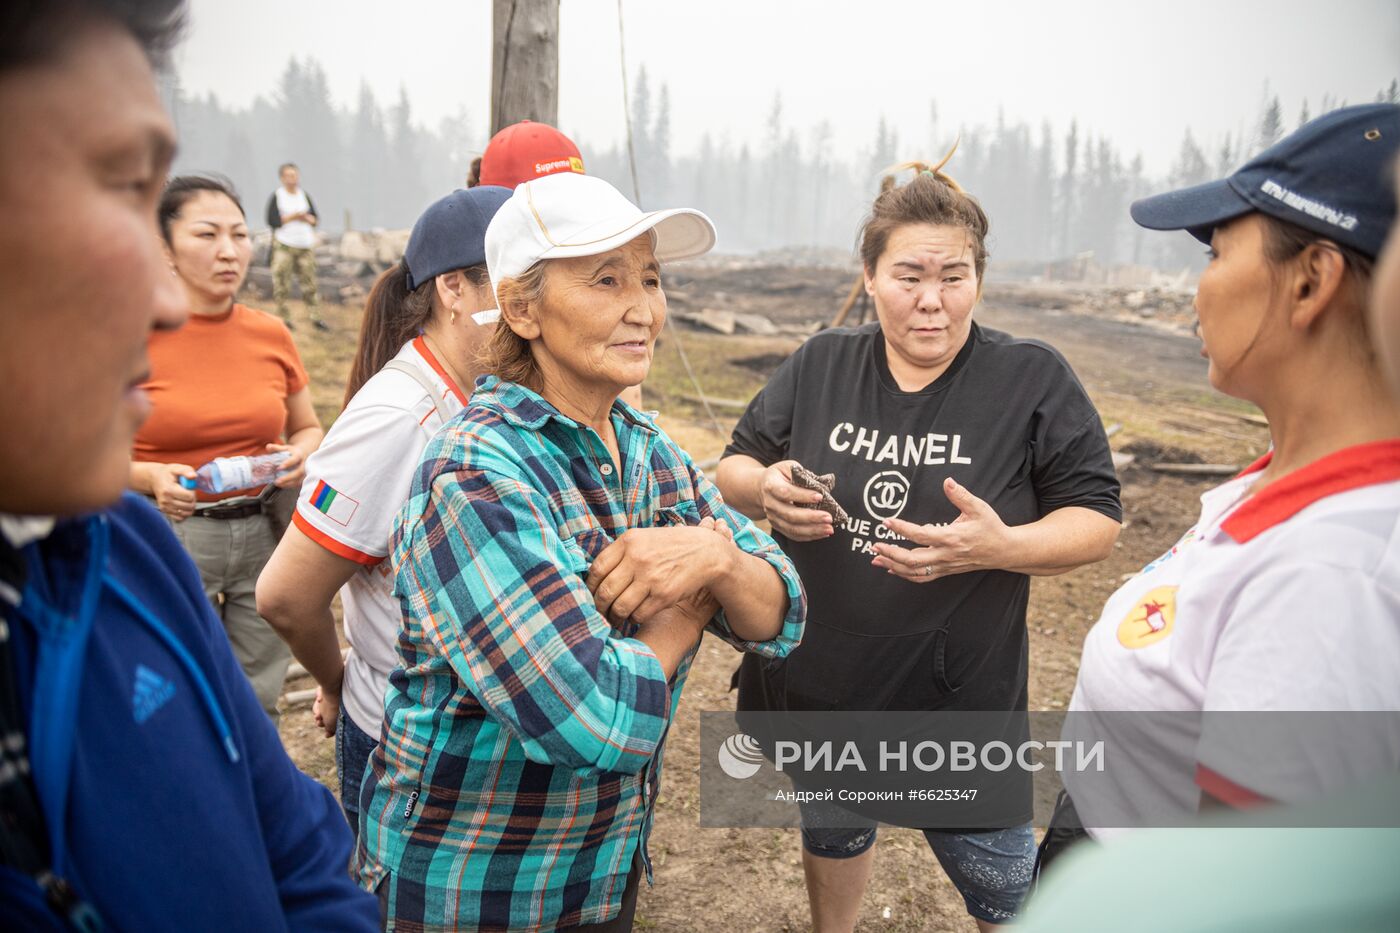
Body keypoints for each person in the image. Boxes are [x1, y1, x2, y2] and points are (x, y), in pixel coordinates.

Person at [0, 1, 377, 928]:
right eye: (117, 188)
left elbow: (295, 847)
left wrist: (293, 451)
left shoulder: (114, 553)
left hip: (249, 531)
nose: (164, 306)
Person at [355, 172, 807, 931]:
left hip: (597, 874)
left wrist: (720, 561)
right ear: (524, 307)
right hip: (471, 888)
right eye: (607, 279)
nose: (644, 308)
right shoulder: (474, 476)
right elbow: (592, 721)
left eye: (652, 277)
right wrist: (691, 610)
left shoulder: (644, 447)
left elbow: (783, 612)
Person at [714, 154, 1123, 930]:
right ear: (868, 276)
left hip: (956, 711)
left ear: (979, 278)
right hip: (824, 687)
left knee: (1006, 895)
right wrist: (761, 487)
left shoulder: (1029, 379)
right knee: (834, 822)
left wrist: (999, 547)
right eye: (909, 276)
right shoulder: (822, 362)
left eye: (954, 276)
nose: (931, 301)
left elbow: (1098, 519)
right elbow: (733, 463)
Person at [1051, 103, 1400, 844]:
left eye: (1216, 254)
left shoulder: (1335, 578)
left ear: (1311, 282)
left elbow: (1245, 888)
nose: (1198, 289)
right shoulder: (1290, 482)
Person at [257, 184, 512, 834]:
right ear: (455, 289)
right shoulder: (397, 417)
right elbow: (286, 594)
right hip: (406, 747)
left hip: (474, 743)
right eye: (522, 280)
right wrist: (338, 679)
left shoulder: (483, 393)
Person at [130, 174, 324, 719]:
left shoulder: (270, 333)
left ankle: (247, 791)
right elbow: (83, 459)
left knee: (257, 694)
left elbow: (307, 426)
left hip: (265, 531)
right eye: (207, 234)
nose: (228, 251)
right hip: (165, 533)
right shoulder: (127, 335)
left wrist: (304, 451)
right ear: (164, 249)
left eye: (239, 235)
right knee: (167, 686)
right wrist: (149, 478)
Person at [266, 161, 326, 330]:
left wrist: (306, 218)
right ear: (282, 178)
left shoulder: (303, 195)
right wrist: (293, 217)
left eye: (294, 175)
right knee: (282, 283)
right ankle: (284, 318)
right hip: (284, 245)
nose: (292, 179)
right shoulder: (277, 196)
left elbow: (315, 219)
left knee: (309, 283)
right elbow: (272, 221)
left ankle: (316, 317)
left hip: (305, 245)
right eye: (288, 175)